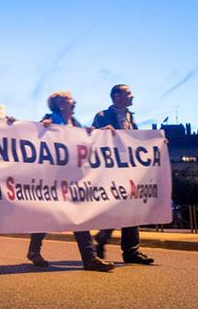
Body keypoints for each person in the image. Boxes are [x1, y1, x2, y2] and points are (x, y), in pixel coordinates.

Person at [25, 92, 115, 272]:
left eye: (72, 99)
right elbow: (37, 140)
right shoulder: (50, 119)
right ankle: (34, 250)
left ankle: (90, 258)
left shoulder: (76, 124)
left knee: (78, 215)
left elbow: (87, 141)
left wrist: (100, 134)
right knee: (48, 216)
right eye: (68, 99)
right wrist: (42, 129)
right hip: (54, 179)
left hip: (73, 179)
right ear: (59, 104)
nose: (73, 102)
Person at [91, 84, 155, 265]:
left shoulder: (130, 118)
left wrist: (157, 143)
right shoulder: (103, 116)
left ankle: (130, 251)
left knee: (131, 209)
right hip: (111, 171)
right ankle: (104, 238)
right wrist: (102, 132)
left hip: (129, 171)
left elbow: (137, 141)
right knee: (115, 208)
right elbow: (92, 138)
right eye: (128, 93)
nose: (132, 96)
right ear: (116, 96)